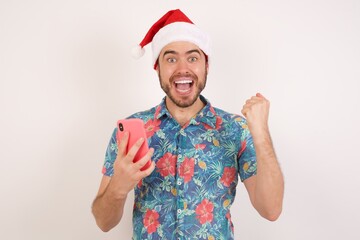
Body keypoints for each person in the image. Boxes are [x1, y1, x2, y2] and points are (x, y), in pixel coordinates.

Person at [92, 9, 284, 239]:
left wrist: (260, 132)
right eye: (171, 59)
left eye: (192, 58)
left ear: (206, 66)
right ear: (158, 69)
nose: (182, 68)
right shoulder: (133, 130)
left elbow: (271, 210)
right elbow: (103, 222)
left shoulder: (236, 129)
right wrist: (118, 187)